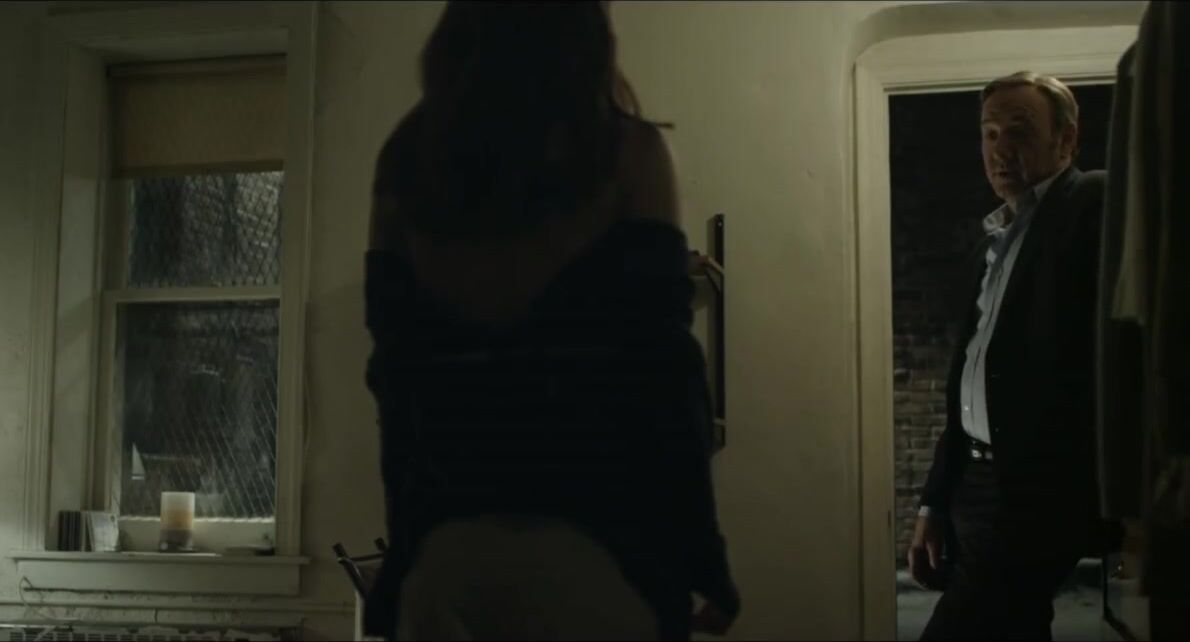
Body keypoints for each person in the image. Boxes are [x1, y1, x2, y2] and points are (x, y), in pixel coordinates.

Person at [361, 2, 739, 640]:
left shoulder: (405, 159)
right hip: (604, 548)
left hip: (446, 561)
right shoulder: (627, 152)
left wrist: (406, 562)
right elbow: (668, 377)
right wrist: (705, 559)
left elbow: (396, 380)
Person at [907, 71, 1111, 640]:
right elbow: (968, 384)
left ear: (1066, 140)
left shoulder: (1092, 202)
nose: (1000, 149)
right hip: (972, 482)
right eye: (990, 133)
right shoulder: (990, 245)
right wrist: (933, 503)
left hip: (1034, 490)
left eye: (1019, 131)